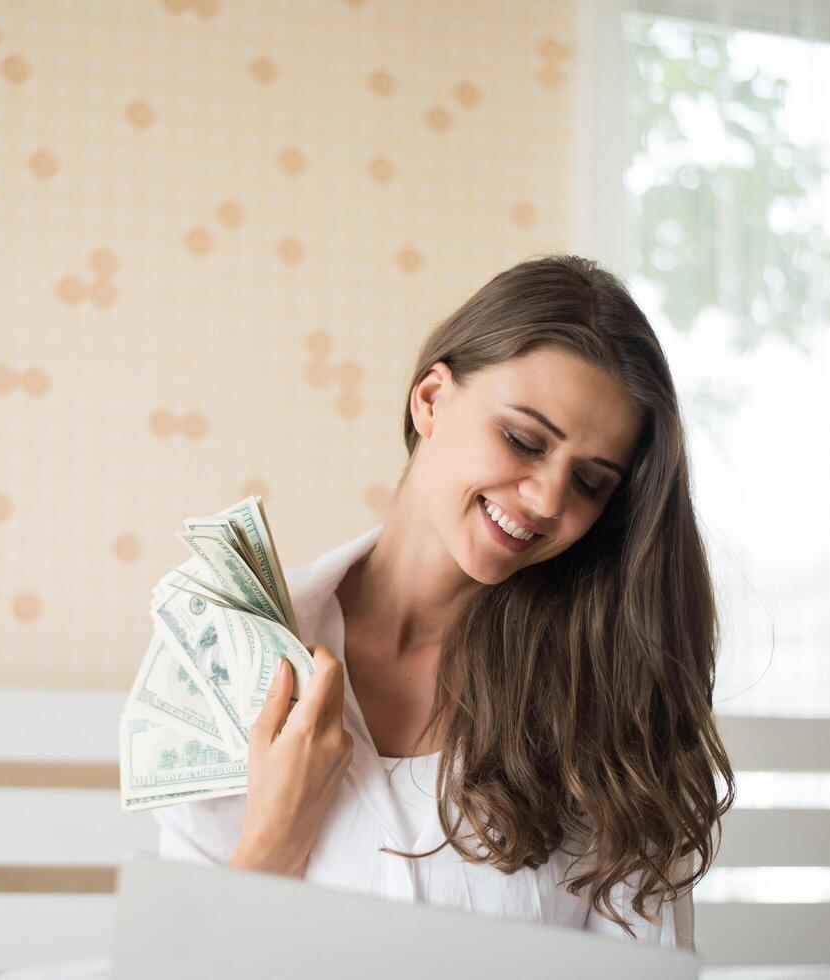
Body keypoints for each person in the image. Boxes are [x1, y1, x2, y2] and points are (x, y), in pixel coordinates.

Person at [153, 253, 734, 952]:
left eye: (589, 482)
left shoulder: (610, 691)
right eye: (523, 440)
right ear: (430, 398)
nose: (548, 500)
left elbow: (647, 962)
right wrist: (275, 839)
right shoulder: (227, 648)